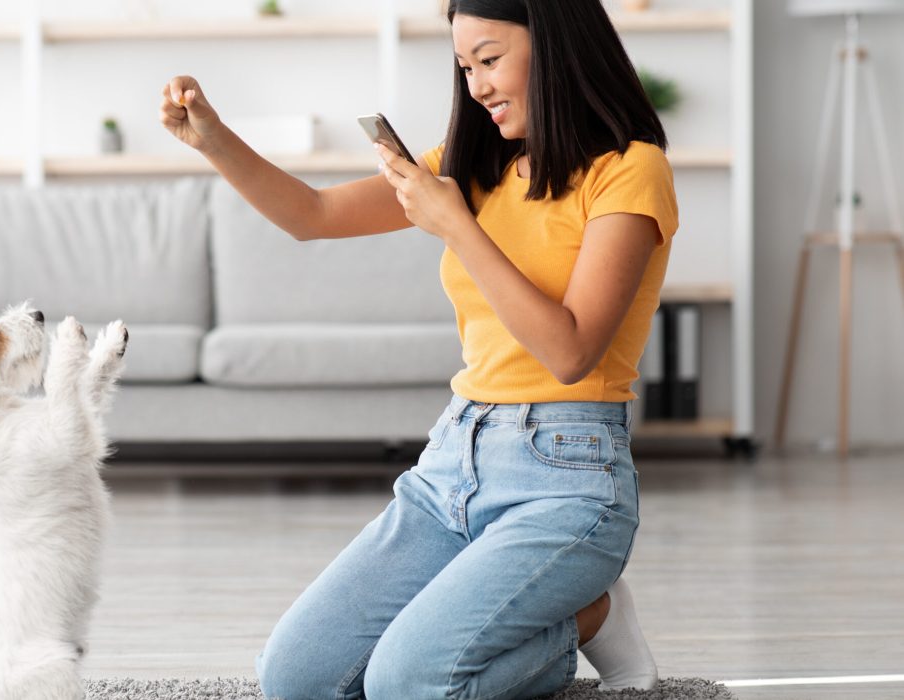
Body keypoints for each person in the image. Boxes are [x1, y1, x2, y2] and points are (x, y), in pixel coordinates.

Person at [159, 0, 673, 696]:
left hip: (568, 476)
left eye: (489, 60)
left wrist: (456, 225)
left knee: (404, 684)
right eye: (465, 67)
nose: (477, 86)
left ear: (555, 46)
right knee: (295, 680)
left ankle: (585, 617)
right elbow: (313, 217)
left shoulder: (630, 170)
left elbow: (571, 350)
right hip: (453, 463)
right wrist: (213, 140)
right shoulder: (472, 165)